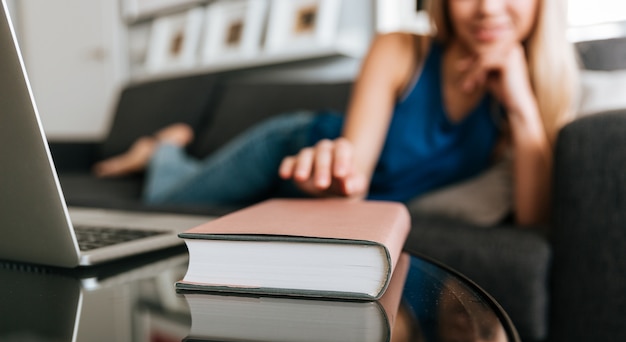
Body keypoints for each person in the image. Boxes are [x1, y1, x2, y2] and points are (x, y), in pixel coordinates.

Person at [94, 0, 578, 226]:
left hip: (316, 194)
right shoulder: (401, 51)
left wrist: (521, 106)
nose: (488, 8)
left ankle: (173, 148)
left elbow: (533, 222)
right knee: (169, 198)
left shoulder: (521, 102)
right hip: (286, 150)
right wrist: (338, 176)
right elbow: (357, 171)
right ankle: (161, 149)